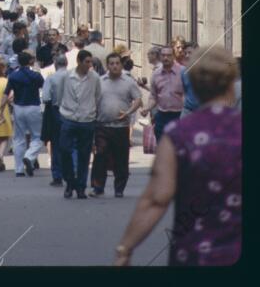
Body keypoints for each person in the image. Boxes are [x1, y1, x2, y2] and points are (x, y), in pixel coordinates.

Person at [114, 45, 241, 267]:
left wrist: (125, 248)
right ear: (231, 82)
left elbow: (156, 199)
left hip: (194, 252)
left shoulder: (180, 135)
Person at [89, 52, 142, 198]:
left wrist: (129, 112)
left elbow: (138, 99)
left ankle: (119, 188)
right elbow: (92, 100)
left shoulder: (128, 82)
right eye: (111, 63)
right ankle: (98, 187)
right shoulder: (100, 81)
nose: (114, 66)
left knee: (121, 159)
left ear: (121, 64)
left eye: (117, 63)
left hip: (121, 126)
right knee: (100, 157)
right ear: (107, 66)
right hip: (102, 125)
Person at [57, 49, 102, 198]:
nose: (90, 65)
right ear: (79, 61)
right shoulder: (67, 76)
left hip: (86, 120)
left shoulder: (94, 77)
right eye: (87, 62)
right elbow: (59, 94)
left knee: (84, 155)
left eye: (91, 62)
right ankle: (70, 181)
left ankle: (81, 186)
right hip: (68, 117)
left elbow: (98, 96)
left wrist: (92, 111)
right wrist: (63, 109)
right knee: (64, 150)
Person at [0, 51, 44, 177]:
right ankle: (29, 157)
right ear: (30, 61)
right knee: (37, 137)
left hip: (18, 107)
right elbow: (44, 88)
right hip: (33, 107)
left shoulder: (13, 76)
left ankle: (18, 169)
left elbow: (6, 93)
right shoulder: (35, 75)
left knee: (18, 138)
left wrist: (1, 110)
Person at [142, 45, 184, 141]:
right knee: (162, 147)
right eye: (163, 55)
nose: (166, 58)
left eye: (169, 55)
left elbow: (188, 94)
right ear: (160, 57)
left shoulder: (183, 72)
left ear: (173, 56)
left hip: (179, 115)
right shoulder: (156, 74)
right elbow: (153, 96)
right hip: (162, 115)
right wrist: (147, 108)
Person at [41, 53, 68, 186]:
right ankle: (70, 171)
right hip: (72, 113)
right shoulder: (73, 77)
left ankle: (57, 175)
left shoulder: (51, 79)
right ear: (67, 64)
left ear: (56, 65)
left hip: (56, 112)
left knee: (56, 144)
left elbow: (45, 98)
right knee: (70, 144)